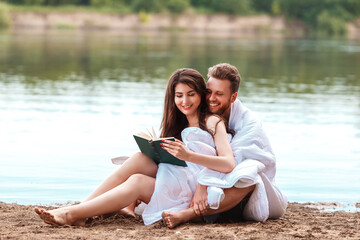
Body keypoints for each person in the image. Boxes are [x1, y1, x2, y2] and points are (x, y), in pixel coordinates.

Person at [34, 68, 237, 226]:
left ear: (201, 94)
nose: (184, 101)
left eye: (191, 94)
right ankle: (81, 210)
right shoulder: (179, 125)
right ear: (172, 97)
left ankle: (72, 214)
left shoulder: (212, 121)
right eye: (179, 95)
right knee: (140, 158)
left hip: (191, 189)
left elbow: (228, 163)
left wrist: (188, 155)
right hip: (175, 178)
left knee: (137, 182)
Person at [161, 63, 288, 228]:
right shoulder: (201, 116)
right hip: (212, 176)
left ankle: (189, 214)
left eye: (219, 94)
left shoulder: (249, 123)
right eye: (209, 92)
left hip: (239, 191)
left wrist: (202, 184)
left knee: (249, 175)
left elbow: (232, 162)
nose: (211, 99)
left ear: (233, 97)